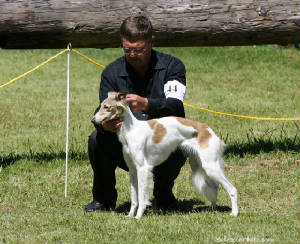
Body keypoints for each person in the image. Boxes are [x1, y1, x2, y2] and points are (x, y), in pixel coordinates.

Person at [85, 15, 187, 212]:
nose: (132, 54)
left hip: (160, 143)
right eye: (127, 49)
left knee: (181, 141)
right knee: (96, 139)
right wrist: (104, 125)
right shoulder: (111, 72)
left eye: (139, 49)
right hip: (127, 145)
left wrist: (146, 104)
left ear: (151, 42)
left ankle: (164, 195)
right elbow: (102, 109)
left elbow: (175, 105)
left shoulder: (173, 66)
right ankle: (103, 199)